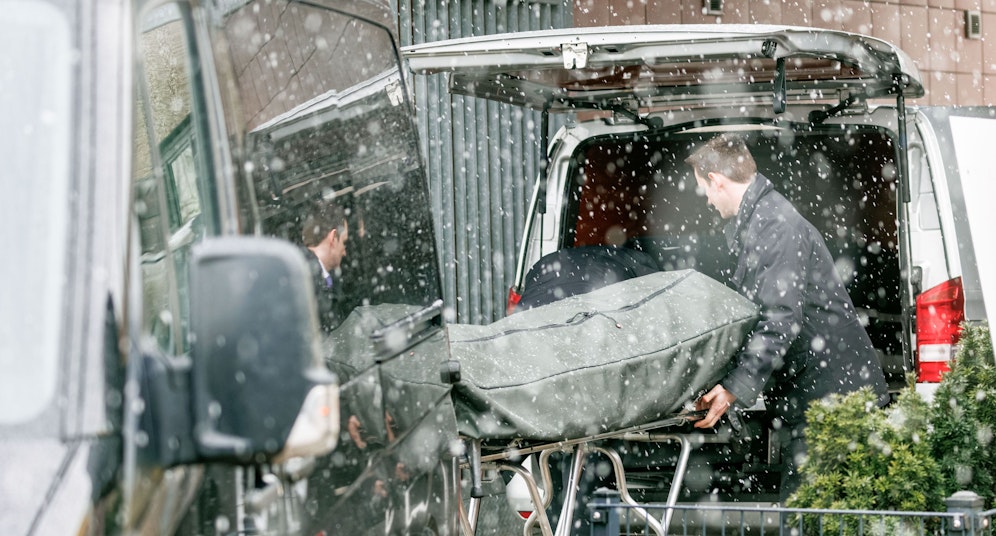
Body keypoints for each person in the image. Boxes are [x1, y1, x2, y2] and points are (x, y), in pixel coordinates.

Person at [684, 133, 889, 500]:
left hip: (835, 397)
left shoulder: (775, 225)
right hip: (824, 393)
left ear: (717, 180)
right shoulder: (761, 222)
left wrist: (734, 387)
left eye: (706, 191)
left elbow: (779, 317)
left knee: (805, 514)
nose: (709, 202)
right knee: (820, 514)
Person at [301, 200, 349, 330]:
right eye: (344, 242)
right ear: (333, 238)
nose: (344, 252)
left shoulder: (308, 271)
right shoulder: (308, 279)